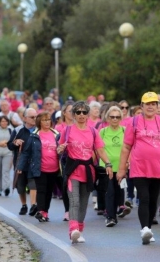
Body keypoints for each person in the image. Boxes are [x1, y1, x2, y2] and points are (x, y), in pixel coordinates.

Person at [117, 92, 160, 245]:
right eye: (147, 104)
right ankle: (144, 228)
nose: (151, 107)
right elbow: (126, 147)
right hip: (139, 167)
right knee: (143, 197)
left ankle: (148, 229)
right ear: (142, 106)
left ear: (158, 106)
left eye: (153, 104)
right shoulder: (134, 122)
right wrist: (122, 169)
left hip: (158, 167)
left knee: (152, 200)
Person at [56, 101, 113, 244]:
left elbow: (100, 150)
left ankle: (79, 230)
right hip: (72, 169)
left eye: (84, 112)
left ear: (87, 115)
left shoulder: (93, 131)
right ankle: (73, 229)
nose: (81, 115)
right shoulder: (67, 131)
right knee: (74, 200)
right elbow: (59, 149)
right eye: (78, 112)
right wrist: (60, 149)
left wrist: (108, 164)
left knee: (83, 202)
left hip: (88, 171)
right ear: (74, 115)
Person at [17, 112, 60, 222]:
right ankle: (41, 211)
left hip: (54, 168)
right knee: (41, 190)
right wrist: (20, 167)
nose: (47, 122)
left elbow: (62, 150)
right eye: (44, 120)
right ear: (39, 122)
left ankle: (45, 212)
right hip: (39, 168)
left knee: (49, 191)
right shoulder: (34, 135)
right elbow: (26, 152)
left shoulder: (56, 134)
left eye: (48, 120)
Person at [102, 106, 131, 227]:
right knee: (110, 192)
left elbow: (130, 148)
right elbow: (99, 149)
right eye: (112, 117)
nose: (115, 119)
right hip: (106, 167)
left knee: (118, 192)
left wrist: (127, 163)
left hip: (121, 167)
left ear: (121, 118)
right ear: (108, 118)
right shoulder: (102, 132)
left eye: (117, 117)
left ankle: (114, 214)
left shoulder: (125, 130)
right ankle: (110, 217)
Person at [7, 108, 38, 216]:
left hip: (34, 162)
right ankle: (24, 205)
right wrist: (15, 142)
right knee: (21, 186)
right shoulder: (18, 130)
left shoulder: (38, 130)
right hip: (20, 163)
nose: (35, 119)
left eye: (36, 117)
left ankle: (33, 205)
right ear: (25, 118)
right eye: (32, 117)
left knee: (33, 184)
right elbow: (9, 145)